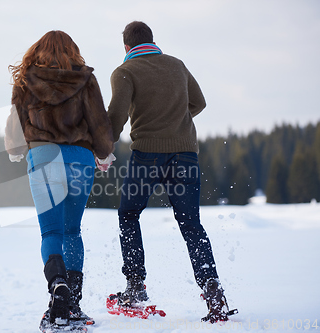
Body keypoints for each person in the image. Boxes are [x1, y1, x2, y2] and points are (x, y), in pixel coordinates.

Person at [101, 21, 235, 322]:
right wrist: (173, 118)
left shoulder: (124, 72)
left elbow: (117, 117)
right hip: (185, 154)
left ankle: (135, 286)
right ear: (152, 40)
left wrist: (101, 146)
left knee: (129, 214)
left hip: (147, 155)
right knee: (191, 225)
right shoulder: (176, 65)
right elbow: (198, 102)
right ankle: (214, 293)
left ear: (126, 47)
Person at [5, 30, 115, 330]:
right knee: (72, 231)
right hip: (80, 160)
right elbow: (100, 124)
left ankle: (58, 288)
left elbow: (15, 127)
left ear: (38, 50)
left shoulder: (26, 80)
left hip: (42, 158)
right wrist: (104, 153)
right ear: (72, 51)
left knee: (51, 232)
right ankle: (74, 303)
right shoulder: (85, 79)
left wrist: (16, 149)